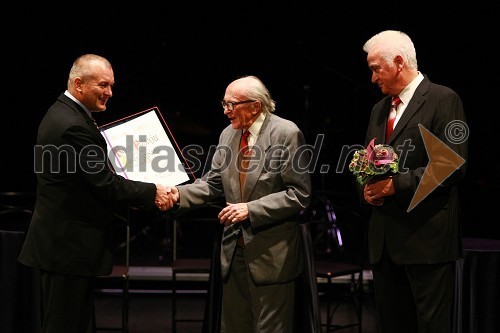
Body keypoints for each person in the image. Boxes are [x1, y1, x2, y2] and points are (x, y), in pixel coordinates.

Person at [18, 54, 173, 333]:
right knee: (64, 325)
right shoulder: (72, 125)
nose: (110, 93)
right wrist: (153, 192)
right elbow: (105, 184)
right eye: (103, 85)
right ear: (79, 84)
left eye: (111, 85)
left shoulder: (66, 114)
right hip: (66, 249)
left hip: (66, 248)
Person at [169, 75, 311, 332]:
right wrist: (176, 195)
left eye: (231, 104)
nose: (225, 111)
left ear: (255, 106)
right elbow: (213, 183)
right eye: (224, 104)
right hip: (234, 251)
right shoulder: (228, 135)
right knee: (233, 326)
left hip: (272, 253)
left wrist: (250, 209)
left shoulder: (286, 133)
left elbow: (298, 194)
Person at [360, 30, 468, 332]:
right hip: (384, 242)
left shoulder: (443, 99)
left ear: (397, 62)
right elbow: (365, 161)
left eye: (375, 69)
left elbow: (451, 164)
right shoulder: (379, 110)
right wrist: (366, 190)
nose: (372, 78)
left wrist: (396, 185)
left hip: (426, 240)